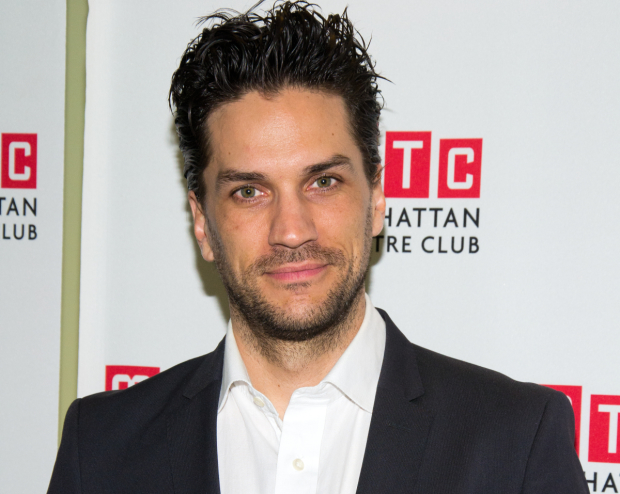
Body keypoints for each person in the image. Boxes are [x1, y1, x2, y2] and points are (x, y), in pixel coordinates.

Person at [48, 2, 589, 493]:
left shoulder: (515, 443)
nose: (291, 230)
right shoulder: (100, 448)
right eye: (249, 192)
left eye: (323, 182)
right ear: (203, 223)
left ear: (376, 199)